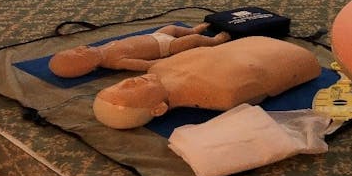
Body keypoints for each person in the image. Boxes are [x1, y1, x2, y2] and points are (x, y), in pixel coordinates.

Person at [92, 36, 322, 129]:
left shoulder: (158, 68)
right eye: (127, 92)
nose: (127, 83)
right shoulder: (225, 95)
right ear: (158, 109)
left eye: (117, 85)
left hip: (257, 41)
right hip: (296, 56)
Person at [48, 23, 231, 78]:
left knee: (172, 28)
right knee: (194, 41)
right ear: (89, 66)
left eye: (76, 48)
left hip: (156, 35)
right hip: (165, 47)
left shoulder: (101, 49)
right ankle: (214, 41)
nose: (80, 47)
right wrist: (165, 62)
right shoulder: (116, 62)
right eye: (80, 53)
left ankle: (191, 29)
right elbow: (145, 65)